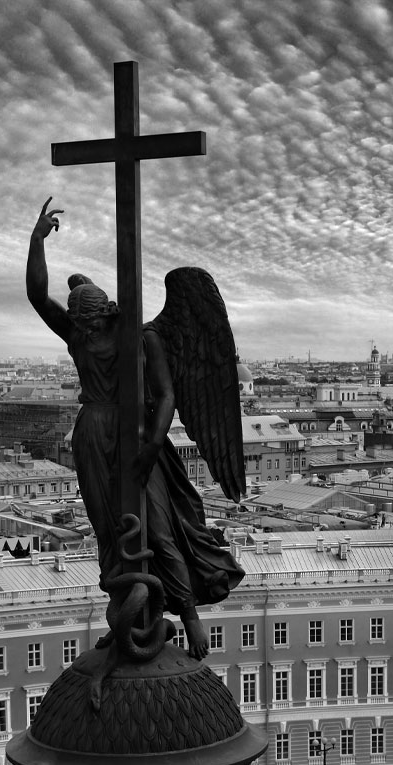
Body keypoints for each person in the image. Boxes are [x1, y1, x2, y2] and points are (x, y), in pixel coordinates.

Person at [26, 198, 245, 662]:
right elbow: (37, 297)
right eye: (79, 324)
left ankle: (187, 614)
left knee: (159, 529)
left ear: (105, 313)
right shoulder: (78, 333)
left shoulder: (143, 338)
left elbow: (166, 396)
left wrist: (150, 448)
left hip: (141, 439)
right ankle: (128, 613)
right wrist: (36, 241)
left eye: (90, 322)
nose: (84, 330)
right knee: (109, 530)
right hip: (93, 434)